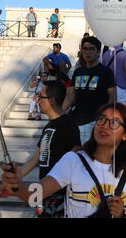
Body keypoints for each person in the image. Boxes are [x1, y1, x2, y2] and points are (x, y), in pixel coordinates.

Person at [1, 103, 126, 218]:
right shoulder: (73, 161)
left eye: (114, 122)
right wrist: (17, 187)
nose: (105, 125)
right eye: (101, 119)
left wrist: (124, 214)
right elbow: (37, 193)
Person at [19, 80, 81, 217]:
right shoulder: (48, 126)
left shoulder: (69, 125)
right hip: (44, 190)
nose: (38, 100)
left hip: (59, 194)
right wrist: (18, 175)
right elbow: (37, 157)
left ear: (52, 101)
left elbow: (75, 153)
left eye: (41, 96)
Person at [63, 36, 116, 145]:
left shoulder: (106, 72)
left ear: (98, 52)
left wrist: (103, 119)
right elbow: (71, 96)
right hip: (75, 120)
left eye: (91, 49)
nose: (87, 52)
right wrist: (59, 112)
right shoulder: (78, 72)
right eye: (85, 49)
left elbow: (112, 98)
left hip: (94, 122)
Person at [102, 44, 126, 108]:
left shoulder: (105, 54)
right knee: (123, 114)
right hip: (121, 89)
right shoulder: (124, 54)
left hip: (108, 89)